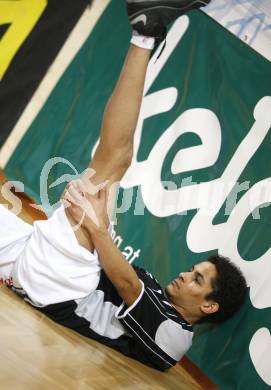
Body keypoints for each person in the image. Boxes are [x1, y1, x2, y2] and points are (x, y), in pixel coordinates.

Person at [0, 0, 247, 371]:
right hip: (31, 260)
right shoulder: (156, 294)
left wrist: (97, 229)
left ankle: (145, 31)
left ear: (209, 306)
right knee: (95, 190)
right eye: (194, 270)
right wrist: (87, 226)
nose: (184, 274)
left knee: (112, 165)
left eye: (197, 279)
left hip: (58, 290)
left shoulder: (175, 339)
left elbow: (127, 284)